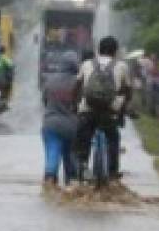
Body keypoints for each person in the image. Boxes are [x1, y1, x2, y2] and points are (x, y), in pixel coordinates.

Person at [73, 35, 132, 181]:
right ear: (115, 51)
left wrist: (75, 105)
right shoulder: (122, 66)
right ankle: (112, 172)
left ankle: (82, 166)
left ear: (98, 50)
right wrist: (123, 108)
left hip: (88, 109)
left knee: (83, 138)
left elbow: (76, 87)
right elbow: (128, 91)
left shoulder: (87, 64)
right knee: (113, 138)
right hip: (110, 110)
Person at [41, 54, 80, 188]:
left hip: (51, 124)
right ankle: (72, 182)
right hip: (73, 126)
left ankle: (50, 178)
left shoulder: (50, 81)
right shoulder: (79, 82)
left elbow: (45, 101)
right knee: (71, 155)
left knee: (53, 150)